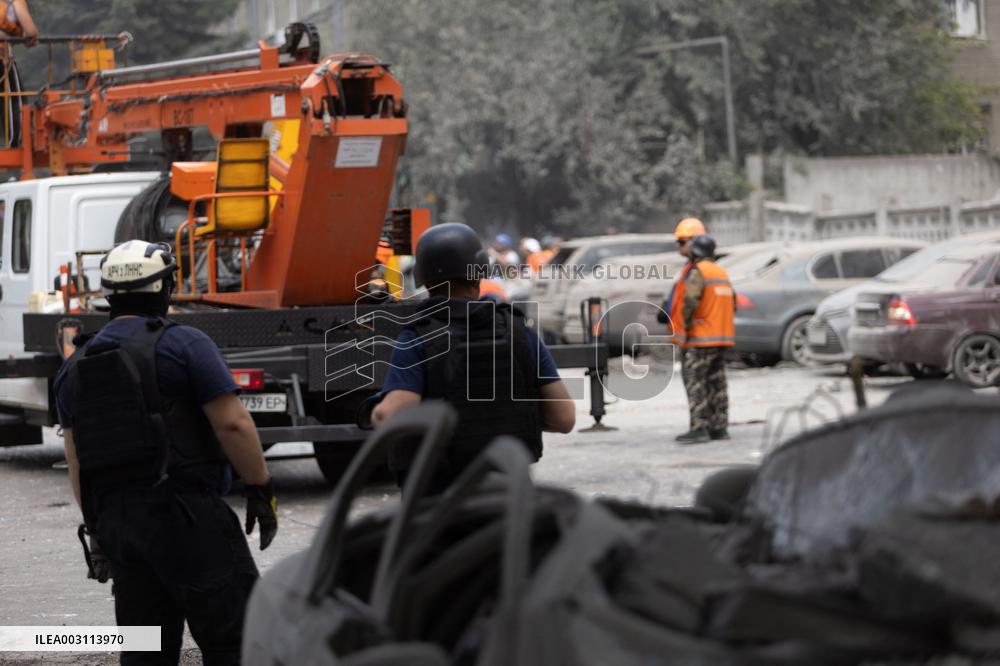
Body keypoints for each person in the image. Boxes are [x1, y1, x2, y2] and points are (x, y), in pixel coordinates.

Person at [53, 240, 278, 666]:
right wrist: (261, 488)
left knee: (145, 649)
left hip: (120, 525)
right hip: (187, 516)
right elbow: (233, 424)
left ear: (109, 295)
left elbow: (77, 460)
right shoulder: (184, 344)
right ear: (164, 287)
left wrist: (99, 530)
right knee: (238, 640)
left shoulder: (75, 365)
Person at [372, 222, 575, 492]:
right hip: (508, 497)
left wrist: (374, 413)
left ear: (425, 280)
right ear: (479, 273)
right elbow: (564, 418)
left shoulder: (417, 337)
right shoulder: (518, 331)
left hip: (436, 501)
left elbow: (390, 416)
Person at [664, 223, 735, 444]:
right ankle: (719, 427)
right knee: (717, 383)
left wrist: (685, 324)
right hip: (722, 337)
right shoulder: (721, 271)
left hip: (700, 338)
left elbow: (691, 301)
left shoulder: (698, 271)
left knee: (695, 382)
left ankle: (699, 428)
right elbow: (732, 303)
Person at [0, 0, 37, 148]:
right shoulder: (15, 2)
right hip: (2, 60)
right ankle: (16, 142)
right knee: (15, 100)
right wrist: (19, 36)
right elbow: (31, 32)